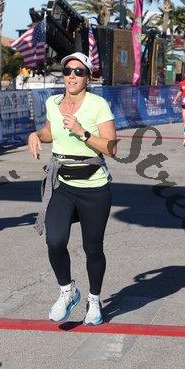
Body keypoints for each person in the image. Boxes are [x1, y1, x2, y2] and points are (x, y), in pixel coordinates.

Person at [28, 52, 117, 325]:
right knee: (54, 241)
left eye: (79, 72)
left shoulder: (98, 105)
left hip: (93, 186)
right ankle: (68, 292)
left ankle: (94, 299)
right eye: (67, 71)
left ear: (88, 77)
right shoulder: (53, 103)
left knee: (93, 248)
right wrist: (36, 135)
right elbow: (49, 132)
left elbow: (112, 148)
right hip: (61, 183)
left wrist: (82, 132)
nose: (72, 76)